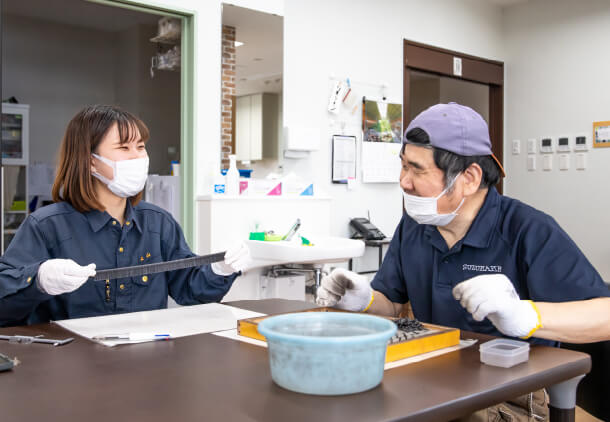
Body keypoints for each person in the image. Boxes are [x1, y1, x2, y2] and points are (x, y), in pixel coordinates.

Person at [317, 103, 610, 420]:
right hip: (431, 373)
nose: (403, 181)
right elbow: (391, 304)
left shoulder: (528, 230)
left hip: (509, 392)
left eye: (417, 170)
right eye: (403, 166)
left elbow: (603, 315)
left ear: (469, 178)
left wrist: (527, 315)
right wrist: (365, 300)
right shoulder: (415, 227)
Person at [0, 105, 250, 327]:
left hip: (146, 361)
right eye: (123, 147)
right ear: (90, 162)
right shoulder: (45, 226)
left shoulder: (158, 223)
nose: (138, 157)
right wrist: (38, 280)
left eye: (140, 146)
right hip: (70, 367)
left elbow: (191, 291)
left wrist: (220, 269)